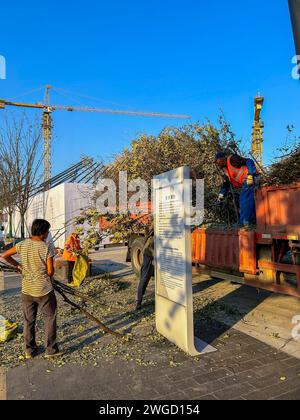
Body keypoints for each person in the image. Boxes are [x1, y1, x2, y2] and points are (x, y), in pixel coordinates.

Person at [2, 219, 63, 359]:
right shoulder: (46, 247)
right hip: (44, 290)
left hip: (27, 289)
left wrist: (19, 266)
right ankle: (51, 350)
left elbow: (5, 255)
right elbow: (50, 272)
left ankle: (29, 350)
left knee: (29, 320)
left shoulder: (22, 244)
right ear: (42, 233)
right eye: (47, 231)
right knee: (49, 318)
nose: (48, 234)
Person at [215, 151, 258, 226]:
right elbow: (226, 184)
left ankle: (245, 222)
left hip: (253, 178)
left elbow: (249, 161)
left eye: (217, 161)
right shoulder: (226, 170)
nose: (217, 163)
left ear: (222, 158)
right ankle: (252, 220)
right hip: (246, 182)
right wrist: (221, 195)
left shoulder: (232, 159)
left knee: (244, 198)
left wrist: (251, 175)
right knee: (244, 199)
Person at [136, 223, 154, 311]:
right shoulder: (156, 222)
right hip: (149, 255)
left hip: (154, 255)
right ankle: (138, 302)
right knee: (144, 279)